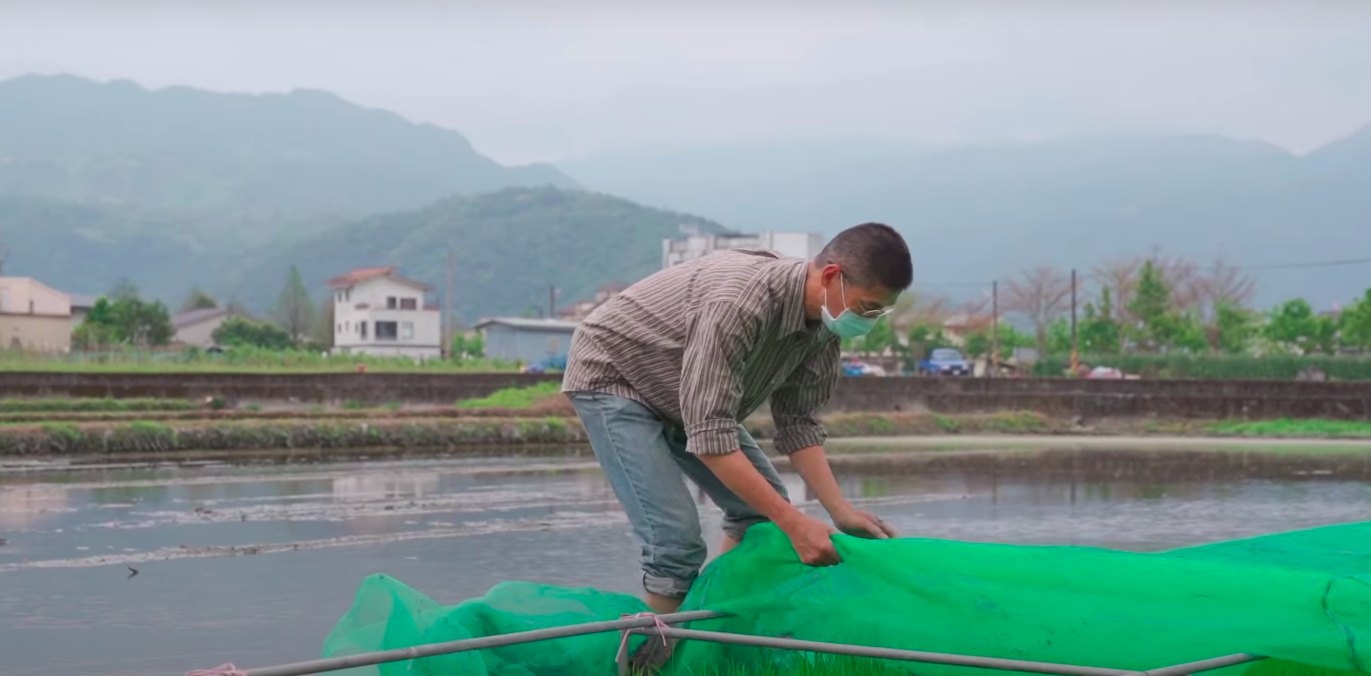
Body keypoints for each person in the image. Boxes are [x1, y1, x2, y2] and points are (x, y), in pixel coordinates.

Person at [561, 222, 913, 617]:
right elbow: (710, 434)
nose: (870, 321)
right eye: (867, 308)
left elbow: (798, 422)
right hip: (616, 373)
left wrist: (840, 510)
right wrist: (796, 524)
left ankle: (712, 629)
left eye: (881, 312)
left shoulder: (824, 327)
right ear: (832, 276)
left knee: (760, 518)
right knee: (676, 544)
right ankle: (650, 659)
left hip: (682, 387)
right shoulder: (740, 303)